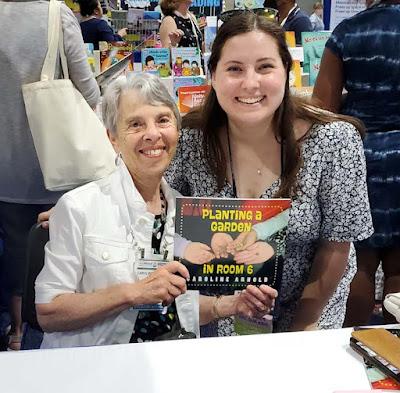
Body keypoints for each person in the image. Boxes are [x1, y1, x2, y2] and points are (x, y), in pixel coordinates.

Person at [165, 12, 373, 336]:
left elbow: (336, 245)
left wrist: (301, 328)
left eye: (265, 67)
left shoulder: (334, 142)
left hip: (310, 309)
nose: (250, 83)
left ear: (286, 72)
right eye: (234, 69)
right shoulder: (190, 142)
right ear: (213, 76)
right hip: (225, 311)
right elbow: (154, 210)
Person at [35, 74, 277, 348]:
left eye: (163, 120)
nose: (153, 134)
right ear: (113, 138)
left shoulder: (187, 213)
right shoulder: (79, 207)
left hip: (172, 361)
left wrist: (229, 305)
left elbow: (178, 308)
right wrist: (133, 293)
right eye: (135, 124)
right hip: (100, 365)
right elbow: (48, 311)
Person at [0, 0, 100, 351]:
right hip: (59, 164)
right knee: (60, 252)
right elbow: (89, 92)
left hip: (5, 166)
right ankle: (54, 333)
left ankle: (15, 332)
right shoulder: (56, 14)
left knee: (14, 252)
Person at [313, 0, 400, 326]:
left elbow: (323, 109)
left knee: (359, 261)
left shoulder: (347, 33)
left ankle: (354, 346)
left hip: (361, 156)